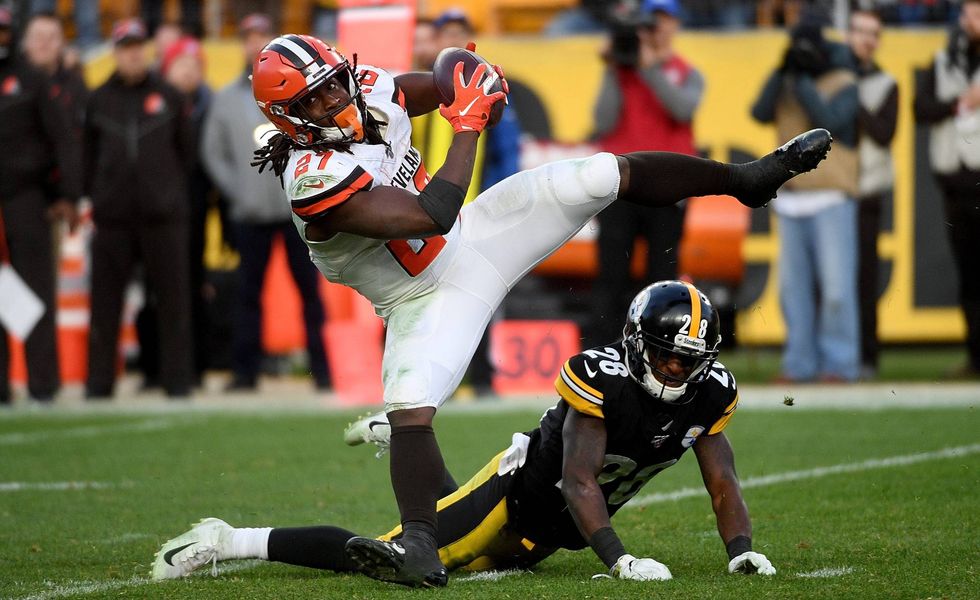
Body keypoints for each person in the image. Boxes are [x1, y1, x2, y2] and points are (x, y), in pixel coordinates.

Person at [245, 33, 829, 587]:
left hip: (475, 238)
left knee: (600, 174)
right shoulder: (310, 178)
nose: (332, 99)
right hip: (420, 296)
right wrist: (468, 125)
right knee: (411, 404)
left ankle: (745, 179)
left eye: (332, 84)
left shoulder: (366, 87)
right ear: (287, 118)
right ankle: (419, 544)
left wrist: (473, 83)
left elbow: (441, 83)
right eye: (312, 99)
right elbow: (433, 211)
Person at [151, 280, 776, 584]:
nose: (677, 369)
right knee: (406, 565)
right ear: (639, 344)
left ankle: (402, 446)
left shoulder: (711, 391)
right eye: (667, 355)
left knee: (474, 561)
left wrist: (740, 549)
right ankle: (231, 539)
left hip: (549, 532)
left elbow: (722, 479)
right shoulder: (601, 377)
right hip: (514, 499)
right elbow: (578, 479)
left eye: (688, 359)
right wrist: (621, 560)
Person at [200, 14, 330, 392]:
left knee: (310, 293)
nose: (254, 44)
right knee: (247, 295)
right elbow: (213, 153)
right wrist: (239, 191)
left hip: (298, 213)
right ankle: (245, 374)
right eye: (248, 37)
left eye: (261, 36)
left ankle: (323, 371)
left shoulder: (300, 92)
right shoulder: (225, 99)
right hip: (249, 213)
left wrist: (311, 188)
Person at [83, 19, 194, 399]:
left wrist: (172, 197)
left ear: (146, 49)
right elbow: (86, 157)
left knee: (173, 301)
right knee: (105, 303)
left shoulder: (170, 96)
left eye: (137, 45)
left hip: (163, 217)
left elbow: (187, 155)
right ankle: (99, 384)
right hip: (112, 218)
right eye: (124, 46)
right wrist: (95, 198)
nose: (131, 53)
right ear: (115, 52)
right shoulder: (97, 99)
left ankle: (178, 382)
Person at [751, 16, 861, 383]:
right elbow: (759, 111)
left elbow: (831, 123)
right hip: (792, 196)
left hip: (832, 196)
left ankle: (840, 364)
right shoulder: (786, 80)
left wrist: (805, 82)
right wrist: (782, 71)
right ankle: (799, 364)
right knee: (793, 292)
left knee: (836, 290)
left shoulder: (843, 81)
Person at [591, 0, 704, 345]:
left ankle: (661, 350)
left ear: (673, 25)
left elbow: (682, 109)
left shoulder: (687, 71)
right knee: (611, 276)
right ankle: (608, 352)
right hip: (621, 187)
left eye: (660, 23)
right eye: (647, 25)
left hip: (667, 188)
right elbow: (602, 121)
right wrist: (613, 67)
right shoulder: (620, 71)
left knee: (662, 278)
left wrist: (650, 68)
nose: (652, 32)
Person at [0, 6, 81, 404]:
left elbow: (63, 141)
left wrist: (67, 195)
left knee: (35, 294)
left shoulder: (32, 81)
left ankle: (43, 384)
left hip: (26, 200)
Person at [914, 0, 980, 379]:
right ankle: (975, 357)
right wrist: (958, 104)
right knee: (969, 275)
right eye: (971, 13)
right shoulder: (943, 60)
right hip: (956, 183)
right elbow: (920, 108)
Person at [847, 6, 897, 380]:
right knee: (833, 281)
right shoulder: (834, 76)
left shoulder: (886, 83)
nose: (865, 39)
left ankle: (867, 355)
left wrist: (850, 97)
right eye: (859, 31)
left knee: (864, 276)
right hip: (835, 190)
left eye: (872, 33)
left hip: (866, 190)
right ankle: (839, 358)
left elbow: (883, 132)